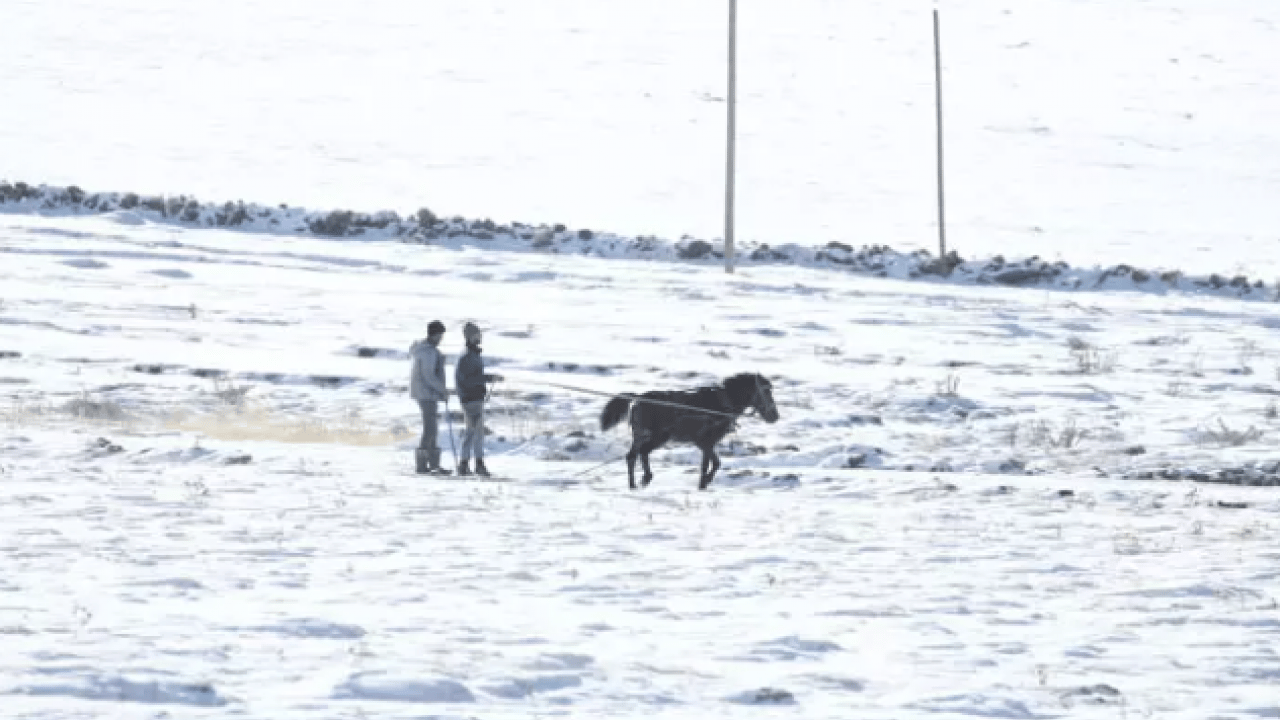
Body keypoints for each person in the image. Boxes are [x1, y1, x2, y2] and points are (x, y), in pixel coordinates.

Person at [454, 322, 503, 477]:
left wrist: (488, 378)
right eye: (477, 334)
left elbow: (471, 378)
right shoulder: (468, 356)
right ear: (470, 337)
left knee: (471, 433)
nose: (480, 336)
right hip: (472, 400)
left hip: (471, 399)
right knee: (477, 434)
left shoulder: (471, 355)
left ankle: (464, 465)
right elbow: (468, 380)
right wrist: (489, 378)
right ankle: (478, 466)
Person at [409, 320, 450, 475]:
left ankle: (432, 465)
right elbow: (429, 376)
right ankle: (423, 465)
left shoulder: (430, 351)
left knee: (432, 429)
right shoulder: (427, 352)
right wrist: (443, 391)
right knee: (430, 429)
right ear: (433, 334)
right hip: (425, 394)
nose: (441, 338)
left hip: (428, 394)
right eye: (440, 335)